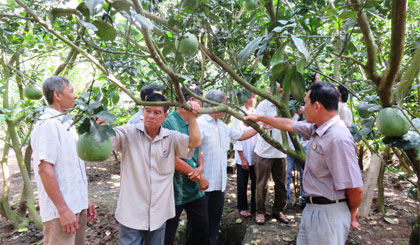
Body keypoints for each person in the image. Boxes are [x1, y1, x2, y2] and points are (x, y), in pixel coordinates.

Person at [244, 82, 364, 245]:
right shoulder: (318, 129)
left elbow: (356, 188)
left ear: (317, 106)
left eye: (306, 103)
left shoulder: (337, 138)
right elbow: (290, 124)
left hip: (328, 214)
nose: (303, 107)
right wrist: (259, 118)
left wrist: (351, 211)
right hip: (314, 209)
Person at [109, 93, 201, 245]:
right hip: (131, 211)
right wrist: (99, 127)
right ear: (142, 112)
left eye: (157, 112)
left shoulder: (171, 138)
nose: (151, 116)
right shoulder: (127, 133)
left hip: (158, 213)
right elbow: (105, 140)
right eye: (147, 111)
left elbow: (195, 142)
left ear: (165, 117)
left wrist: (192, 116)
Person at [31, 76, 96, 245]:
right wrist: (63, 209)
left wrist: (84, 199)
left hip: (76, 206)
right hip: (62, 212)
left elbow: (71, 167)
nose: (75, 96)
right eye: (72, 91)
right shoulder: (47, 124)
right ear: (57, 95)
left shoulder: (66, 122)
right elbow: (44, 170)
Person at [197, 89, 257, 245]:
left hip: (219, 185)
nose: (225, 109)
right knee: (199, 225)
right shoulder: (199, 125)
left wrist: (260, 126)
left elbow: (240, 135)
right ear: (212, 105)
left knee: (214, 223)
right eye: (223, 105)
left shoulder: (222, 126)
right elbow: (193, 153)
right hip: (203, 185)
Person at [162, 84, 210, 245]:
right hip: (174, 189)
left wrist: (201, 167)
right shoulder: (168, 123)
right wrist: (198, 177)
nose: (202, 107)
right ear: (191, 100)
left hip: (195, 191)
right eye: (200, 102)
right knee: (168, 232)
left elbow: (198, 148)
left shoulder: (194, 121)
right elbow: (170, 157)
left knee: (201, 227)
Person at [253, 86, 289, 225]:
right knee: (262, 184)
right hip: (264, 152)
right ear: (270, 90)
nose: (280, 93)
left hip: (280, 152)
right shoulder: (263, 105)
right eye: (277, 90)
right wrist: (269, 122)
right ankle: (260, 211)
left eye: (282, 90)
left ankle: (279, 210)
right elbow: (257, 123)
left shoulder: (284, 105)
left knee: (281, 183)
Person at [232, 93, 258, 217]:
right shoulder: (239, 114)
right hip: (243, 154)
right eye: (250, 97)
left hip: (256, 154)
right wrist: (242, 158)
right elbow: (236, 138)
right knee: (242, 183)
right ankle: (242, 206)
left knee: (255, 182)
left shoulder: (257, 113)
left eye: (254, 97)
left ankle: (255, 207)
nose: (252, 99)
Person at [286, 109, 307, 207]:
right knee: (287, 175)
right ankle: (285, 201)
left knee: (305, 175)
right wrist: (296, 114)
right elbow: (289, 125)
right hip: (290, 149)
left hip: (304, 149)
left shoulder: (309, 117)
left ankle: (304, 200)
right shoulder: (290, 115)